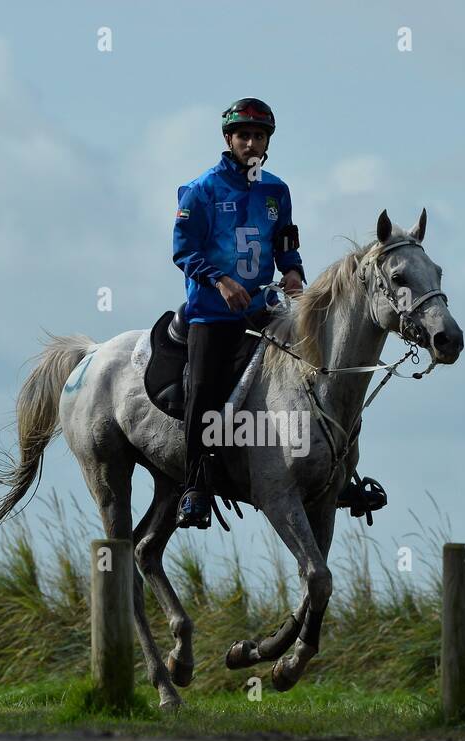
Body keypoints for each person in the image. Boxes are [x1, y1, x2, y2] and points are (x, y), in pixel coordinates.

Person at [172, 97, 305, 528]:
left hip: (264, 311)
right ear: (229, 140)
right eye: (244, 136)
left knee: (314, 368)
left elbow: (285, 242)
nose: (251, 143)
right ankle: (194, 487)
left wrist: (293, 272)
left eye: (259, 137)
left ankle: (335, 470)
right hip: (212, 315)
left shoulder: (276, 190)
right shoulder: (202, 189)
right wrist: (221, 281)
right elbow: (184, 250)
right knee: (204, 388)